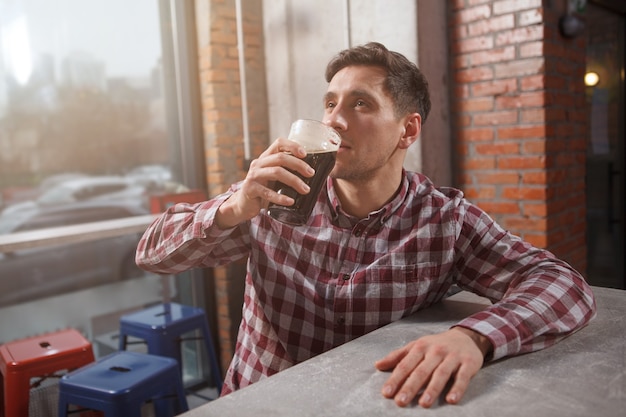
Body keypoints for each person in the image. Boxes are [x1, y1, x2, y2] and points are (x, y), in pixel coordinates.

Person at [136, 42, 596, 408]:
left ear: (408, 131)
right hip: (260, 402)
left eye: (360, 104)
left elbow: (562, 284)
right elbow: (152, 253)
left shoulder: (443, 221)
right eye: (331, 102)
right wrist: (233, 207)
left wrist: (474, 337)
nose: (334, 120)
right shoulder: (275, 195)